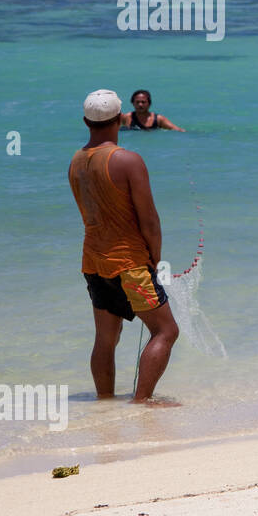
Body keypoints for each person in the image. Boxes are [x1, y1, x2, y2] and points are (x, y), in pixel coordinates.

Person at [69, 90, 180, 404]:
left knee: (106, 338)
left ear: (85, 121)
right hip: (129, 263)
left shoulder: (76, 161)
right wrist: (155, 259)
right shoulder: (128, 160)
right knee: (166, 331)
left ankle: (104, 402)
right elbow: (150, 220)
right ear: (119, 119)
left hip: (93, 262)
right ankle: (141, 402)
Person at [120, 89, 184, 131]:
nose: (140, 105)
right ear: (133, 103)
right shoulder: (127, 117)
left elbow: (176, 129)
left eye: (143, 102)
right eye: (137, 102)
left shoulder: (158, 119)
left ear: (149, 103)